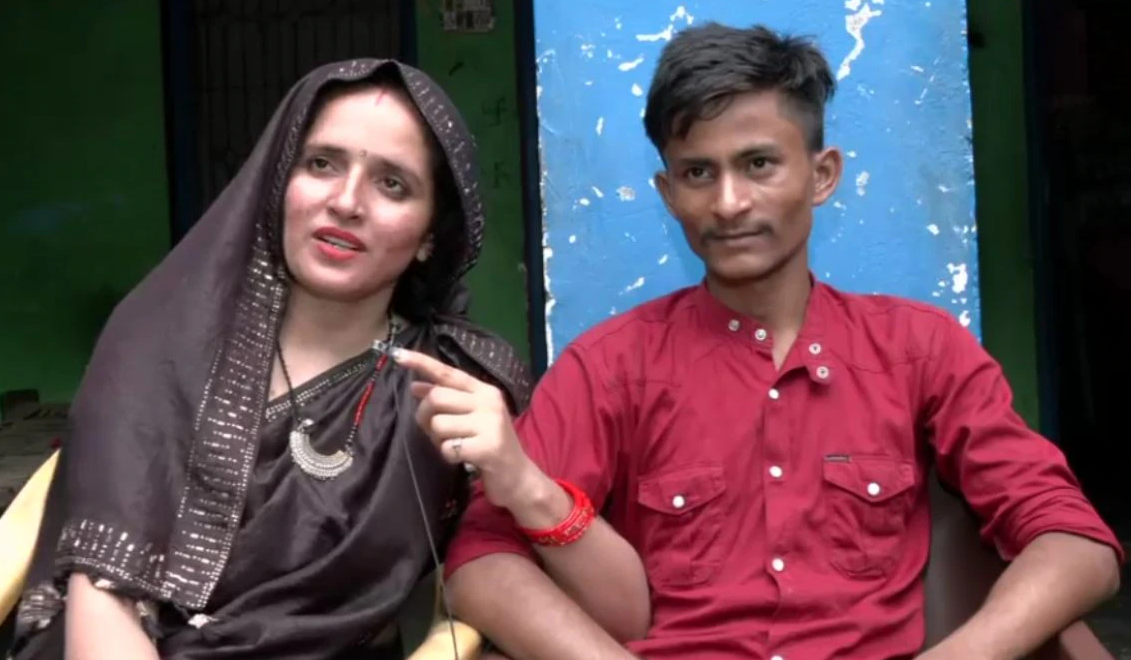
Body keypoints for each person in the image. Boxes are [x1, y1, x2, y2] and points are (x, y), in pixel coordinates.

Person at [394, 23, 1124, 660]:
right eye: (697, 173)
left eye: (758, 164)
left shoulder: (919, 349)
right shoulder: (610, 367)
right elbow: (481, 560)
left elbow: (1075, 543)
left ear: (822, 175)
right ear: (668, 194)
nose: (728, 203)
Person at [9, 59, 531, 660]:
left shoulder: (455, 383)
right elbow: (104, 601)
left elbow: (505, 577)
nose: (346, 202)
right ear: (279, 182)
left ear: (431, 236)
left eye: (392, 184)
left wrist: (514, 475)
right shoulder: (158, 343)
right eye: (322, 164)